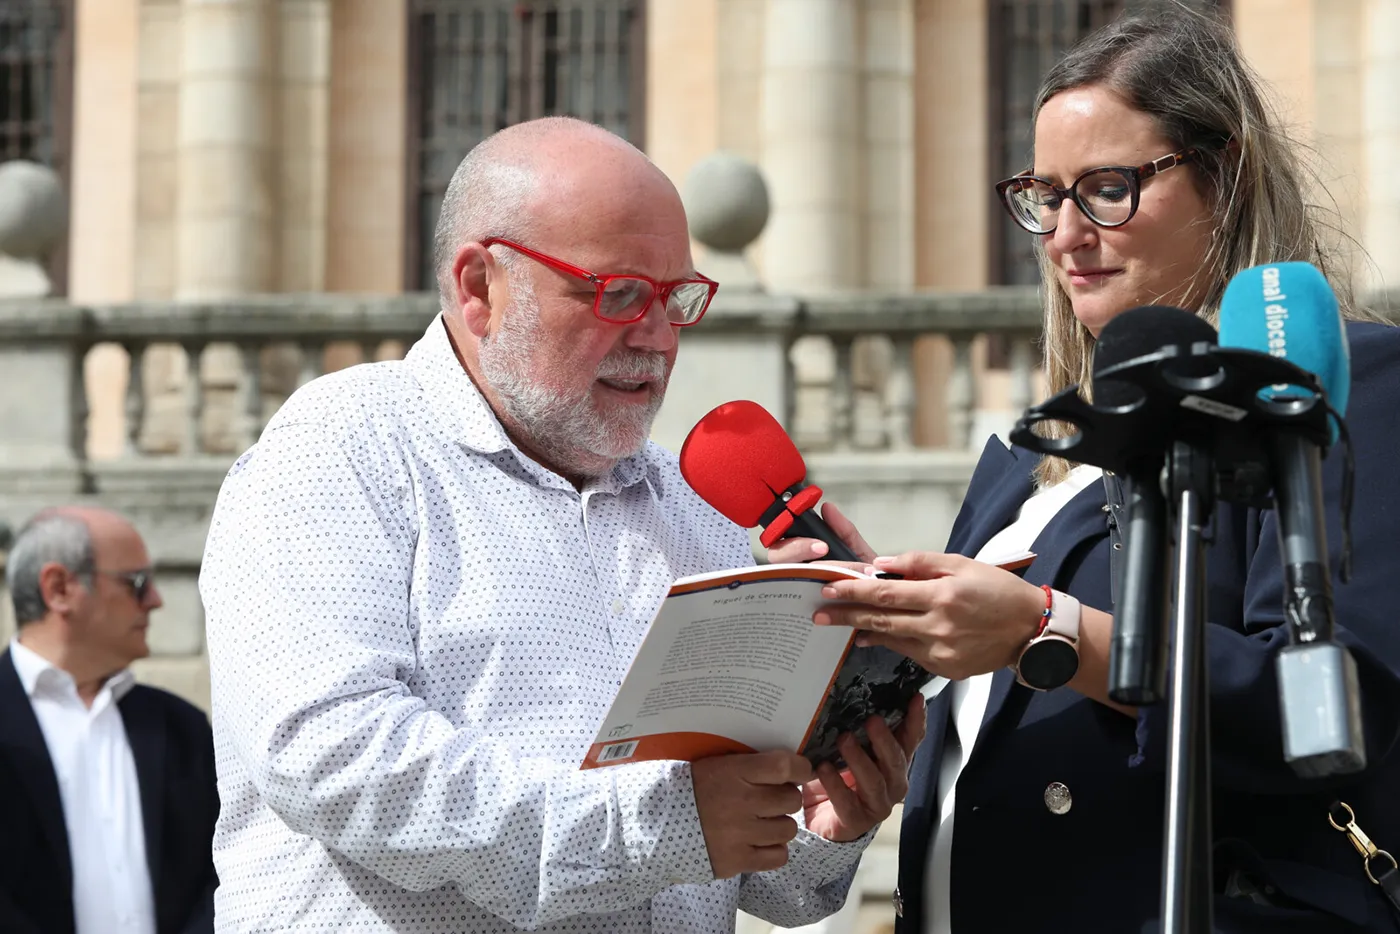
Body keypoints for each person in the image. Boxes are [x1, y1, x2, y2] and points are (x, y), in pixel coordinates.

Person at [197, 116, 924, 933]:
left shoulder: (696, 513)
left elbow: (750, 873)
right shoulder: (343, 448)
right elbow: (333, 756)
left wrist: (821, 822)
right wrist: (664, 825)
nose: (656, 336)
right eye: (618, 294)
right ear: (479, 287)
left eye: (677, 298)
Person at [770, 9, 1400, 934]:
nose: (1065, 234)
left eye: (1108, 188)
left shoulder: (1346, 380)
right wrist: (876, 642)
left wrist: (1044, 628)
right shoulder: (1032, 458)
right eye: (1044, 194)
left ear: (1224, 179)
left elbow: (1333, 711)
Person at [0, 507, 220, 934]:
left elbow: (221, 871)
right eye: (136, 583)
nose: (155, 600)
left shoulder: (182, 729)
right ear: (59, 588)